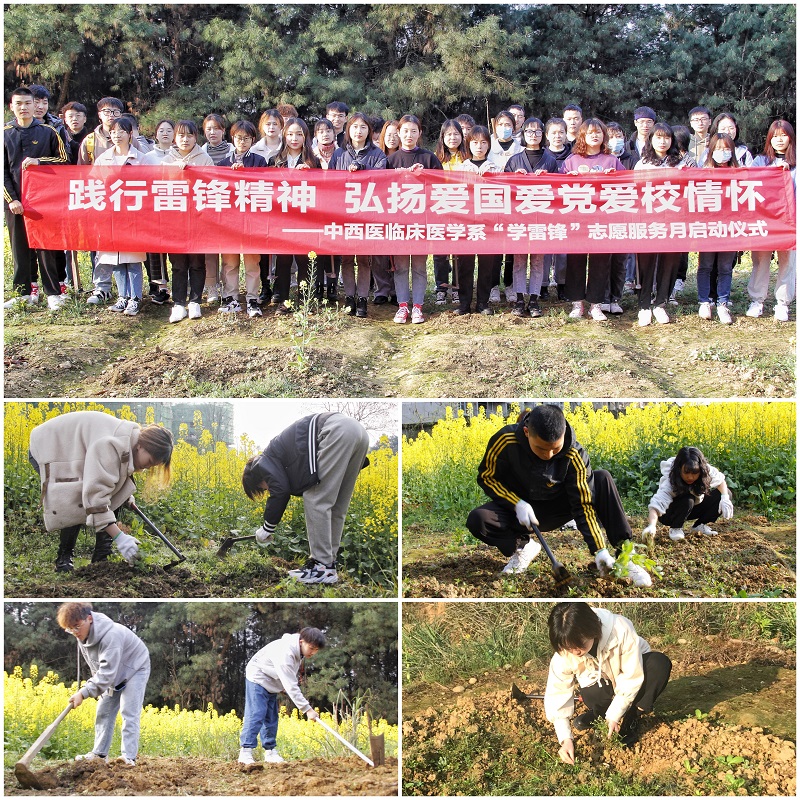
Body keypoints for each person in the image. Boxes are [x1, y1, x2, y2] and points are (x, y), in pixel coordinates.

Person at [466, 405, 652, 586]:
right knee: (478, 519)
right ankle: (524, 547)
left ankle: (626, 556)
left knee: (602, 478)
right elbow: (487, 477)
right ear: (526, 432)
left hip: (559, 507)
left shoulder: (574, 453)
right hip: (522, 513)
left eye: (555, 449)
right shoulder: (505, 440)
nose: (548, 455)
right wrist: (517, 503)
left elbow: (583, 504)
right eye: (541, 449)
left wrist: (599, 550)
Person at [28, 410, 173, 571]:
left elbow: (111, 478)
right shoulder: (112, 445)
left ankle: (101, 558)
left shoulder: (129, 443)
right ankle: (64, 557)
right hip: (50, 447)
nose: (147, 467)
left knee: (111, 496)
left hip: (75, 450)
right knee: (74, 497)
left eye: (153, 466)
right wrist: (120, 538)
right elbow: (95, 497)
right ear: (141, 446)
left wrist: (125, 496)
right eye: (150, 461)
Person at [241, 412, 370, 584]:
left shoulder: (261, 463)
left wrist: (267, 528)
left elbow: (280, 490)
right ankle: (328, 565)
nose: (266, 490)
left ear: (257, 480)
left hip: (335, 430)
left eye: (261, 489)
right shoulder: (278, 458)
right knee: (336, 506)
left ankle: (321, 566)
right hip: (358, 433)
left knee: (316, 498)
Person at [544, 602, 672, 763]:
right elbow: (557, 693)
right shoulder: (563, 653)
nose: (575, 651)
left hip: (632, 673)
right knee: (592, 695)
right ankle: (600, 715)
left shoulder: (619, 629)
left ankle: (632, 717)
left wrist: (615, 715)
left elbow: (631, 676)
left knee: (658, 664)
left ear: (592, 629)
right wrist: (565, 739)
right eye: (569, 648)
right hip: (600, 682)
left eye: (580, 645)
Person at [58, 602, 151, 767]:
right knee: (104, 711)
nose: (74, 632)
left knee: (129, 711)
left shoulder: (111, 635)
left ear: (89, 619)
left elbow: (107, 673)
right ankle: (99, 755)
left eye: (77, 627)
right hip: (113, 671)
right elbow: (96, 666)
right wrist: (97, 687)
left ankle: (129, 758)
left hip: (135, 667)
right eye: (70, 629)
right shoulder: (81, 636)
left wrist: (84, 692)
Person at [3, 86, 68, 310]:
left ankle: (53, 293)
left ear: (35, 106)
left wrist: (41, 162)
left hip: (44, 202)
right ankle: (23, 293)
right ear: (12, 107)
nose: (24, 108)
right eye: (18, 104)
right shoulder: (4, 133)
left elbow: (64, 161)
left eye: (28, 103)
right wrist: (12, 199)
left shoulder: (48, 131)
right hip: (15, 202)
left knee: (46, 247)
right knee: (19, 248)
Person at [561, 119, 625, 321]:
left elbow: (626, 184)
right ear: (582, 136)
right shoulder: (571, 160)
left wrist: (614, 177)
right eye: (590, 133)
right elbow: (557, 188)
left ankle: (596, 304)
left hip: (603, 220)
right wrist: (568, 178)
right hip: (577, 219)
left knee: (600, 261)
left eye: (598, 133)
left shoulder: (611, 160)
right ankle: (577, 303)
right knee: (575, 261)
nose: (594, 136)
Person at [238, 627, 325, 765]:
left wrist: (284, 685)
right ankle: (246, 751)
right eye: (311, 648)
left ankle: (270, 752)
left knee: (271, 717)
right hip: (258, 677)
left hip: (272, 681)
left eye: (316, 650)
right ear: (302, 641)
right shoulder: (286, 652)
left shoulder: (299, 651)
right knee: (256, 713)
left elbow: (287, 676)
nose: (313, 652)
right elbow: (291, 685)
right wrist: (308, 710)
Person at [330, 113, 388, 318]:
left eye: (363, 127)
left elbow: (381, 179)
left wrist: (362, 169)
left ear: (369, 131)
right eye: (354, 127)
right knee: (346, 259)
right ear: (348, 130)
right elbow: (328, 183)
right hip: (344, 214)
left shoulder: (378, 154)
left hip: (367, 215)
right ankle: (349, 298)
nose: (359, 131)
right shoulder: (338, 155)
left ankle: (363, 299)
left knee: (364, 259)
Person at [387, 114, 443, 324]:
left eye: (413, 131)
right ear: (398, 133)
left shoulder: (429, 159)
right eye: (404, 131)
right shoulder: (390, 160)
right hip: (398, 222)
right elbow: (380, 191)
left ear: (419, 133)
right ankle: (403, 306)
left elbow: (441, 188)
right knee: (401, 266)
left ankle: (418, 306)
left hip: (422, 221)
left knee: (419, 266)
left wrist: (423, 177)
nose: (408, 135)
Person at [633, 123, 688, 326]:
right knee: (646, 264)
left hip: (673, 222)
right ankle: (644, 305)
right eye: (658, 137)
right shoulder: (643, 164)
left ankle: (660, 303)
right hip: (648, 221)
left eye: (666, 137)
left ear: (672, 140)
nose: (662, 141)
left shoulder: (680, 165)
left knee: (670, 262)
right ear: (651, 140)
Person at [160, 120, 214, 323]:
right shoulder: (167, 159)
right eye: (181, 135)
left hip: (199, 219)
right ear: (175, 138)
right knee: (178, 264)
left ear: (195, 138)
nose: (185, 139)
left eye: (189, 135)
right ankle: (178, 303)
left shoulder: (204, 158)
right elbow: (158, 185)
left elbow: (212, 186)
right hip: (174, 220)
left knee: (197, 262)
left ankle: (195, 301)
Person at [267, 117, 323, 315]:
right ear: (284, 135)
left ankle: (305, 300)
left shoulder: (313, 160)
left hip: (304, 219)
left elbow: (323, 189)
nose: (294, 138)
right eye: (290, 134)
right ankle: (284, 300)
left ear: (306, 136)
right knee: (283, 261)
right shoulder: (274, 159)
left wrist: (310, 173)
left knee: (304, 260)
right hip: (281, 218)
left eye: (299, 134)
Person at [94, 117, 148, 316]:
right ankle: (122, 296)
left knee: (132, 258)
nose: (117, 135)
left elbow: (149, 184)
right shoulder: (103, 159)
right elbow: (94, 184)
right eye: (114, 132)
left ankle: (135, 298)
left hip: (133, 216)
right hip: (110, 216)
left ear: (130, 134)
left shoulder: (140, 158)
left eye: (122, 131)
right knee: (115, 258)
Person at [505, 117, 559, 317]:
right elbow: (503, 190)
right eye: (529, 132)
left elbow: (559, 191)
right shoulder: (514, 160)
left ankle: (534, 300)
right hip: (520, 218)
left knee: (538, 261)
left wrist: (548, 180)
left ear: (543, 134)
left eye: (537, 132)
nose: (533, 135)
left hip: (541, 218)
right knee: (519, 260)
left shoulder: (551, 160)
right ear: (523, 134)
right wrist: (514, 178)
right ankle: (519, 299)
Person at [746, 120, 796, 322]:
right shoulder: (760, 161)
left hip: (790, 222)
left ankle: (782, 303)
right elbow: (750, 185)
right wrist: (773, 172)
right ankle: (757, 300)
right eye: (775, 136)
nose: (779, 140)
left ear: (791, 137)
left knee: (788, 263)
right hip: (765, 221)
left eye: (783, 135)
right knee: (760, 261)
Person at [217, 120, 268, 317]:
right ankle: (231, 298)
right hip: (229, 221)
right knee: (229, 262)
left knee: (252, 262)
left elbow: (265, 188)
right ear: (233, 138)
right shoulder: (223, 163)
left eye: (247, 138)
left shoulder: (259, 161)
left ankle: (252, 299)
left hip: (252, 220)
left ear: (253, 139)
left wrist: (245, 174)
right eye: (239, 138)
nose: (242, 141)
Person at [641, 446, 733, 542]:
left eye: (694, 473)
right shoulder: (670, 481)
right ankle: (675, 528)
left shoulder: (705, 471)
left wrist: (725, 498)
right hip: (670, 512)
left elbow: (720, 481)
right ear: (679, 469)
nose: (690, 477)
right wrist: (651, 526)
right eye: (686, 472)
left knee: (725, 493)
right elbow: (656, 505)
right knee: (688, 499)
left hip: (692, 507)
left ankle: (699, 526)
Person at [696, 133, 742, 324]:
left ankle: (723, 302)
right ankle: (704, 302)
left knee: (725, 267)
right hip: (707, 227)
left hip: (730, 228)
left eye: (726, 149)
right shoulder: (703, 172)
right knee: (705, 265)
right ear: (710, 151)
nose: (722, 153)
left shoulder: (741, 173)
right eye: (718, 149)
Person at [456, 126, 500, 315]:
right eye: (475, 142)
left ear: (488, 145)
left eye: (483, 142)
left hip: (489, 223)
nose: (479, 146)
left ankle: (483, 302)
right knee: (465, 264)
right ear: (469, 144)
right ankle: (464, 302)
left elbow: (503, 194)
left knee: (487, 264)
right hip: (466, 223)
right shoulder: (462, 168)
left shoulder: (496, 168)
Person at [433, 119, 468, 306]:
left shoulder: (468, 157)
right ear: (442, 137)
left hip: (463, 209)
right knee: (440, 252)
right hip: (441, 209)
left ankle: (457, 287)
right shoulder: (435, 158)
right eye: (448, 134)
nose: (452, 138)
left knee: (459, 251)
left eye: (456, 134)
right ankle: (441, 287)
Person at [141, 119, 176, 305]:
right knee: (155, 250)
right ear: (155, 134)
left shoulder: (180, 156)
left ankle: (181, 286)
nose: (165, 133)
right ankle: (160, 288)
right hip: (154, 208)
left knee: (177, 251)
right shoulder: (147, 157)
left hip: (177, 208)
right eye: (161, 130)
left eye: (169, 130)